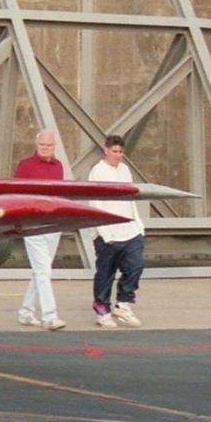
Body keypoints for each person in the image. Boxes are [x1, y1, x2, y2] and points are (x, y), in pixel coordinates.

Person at [87, 134, 144, 328]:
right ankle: (102, 310)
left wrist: (138, 225)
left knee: (135, 267)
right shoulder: (97, 171)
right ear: (106, 150)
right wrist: (104, 233)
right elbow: (94, 203)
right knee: (106, 274)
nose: (118, 155)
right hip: (108, 234)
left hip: (130, 230)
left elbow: (130, 197)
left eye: (120, 152)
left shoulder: (125, 170)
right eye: (114, 152)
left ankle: (124, 304)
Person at [15, 130, 65, 330]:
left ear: (54, 147)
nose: (46, 149)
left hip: (53, 224)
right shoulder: (26, 165)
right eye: (43, 145)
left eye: (49, 146)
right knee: (44, 271)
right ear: (36, 145)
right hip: (33, 223)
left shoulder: (59, 166)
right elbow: (15, 194)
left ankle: (26, 312)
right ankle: (49, 316)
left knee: (41, 271)